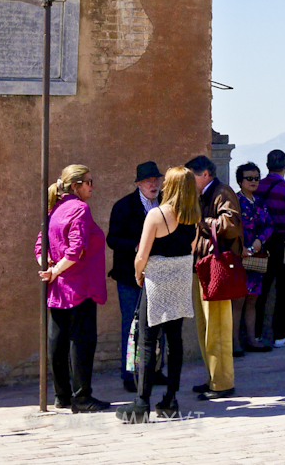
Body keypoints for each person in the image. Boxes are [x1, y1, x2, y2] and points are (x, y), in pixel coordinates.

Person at [116, 166, 200, 422]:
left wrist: (138, 273)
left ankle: (142, 403)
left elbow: (141, 255)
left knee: (147, 340)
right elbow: (192, 249)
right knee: (175, 341)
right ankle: (170, 400)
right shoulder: (193, 216)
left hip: (155, 282)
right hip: (180, 283)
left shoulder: (156, 215)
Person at [35, 164, 109, 413]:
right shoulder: (79, 208)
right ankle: (82, 397)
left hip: (58, 288)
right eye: (89, 182)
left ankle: (62, 395)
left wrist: (49, 268)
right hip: (80, 286)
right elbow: (75, 251)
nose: (92, 186)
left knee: (58, 340)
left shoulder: (54, 209)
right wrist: (54, 270)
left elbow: (39, 246)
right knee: (82, 342)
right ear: (76, 185)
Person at [187, 155, 243, 400]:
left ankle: (222, 383)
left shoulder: (222, 192)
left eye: (192, 177)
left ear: (205, 175)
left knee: (217, 327)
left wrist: (202, 219)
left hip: (216, 269)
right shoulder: (205, 194)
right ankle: (213, 376)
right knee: (205, 327)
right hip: (202, 266)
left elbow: (230, 225)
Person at [107, 160, 166, 392]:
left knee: (158, 324)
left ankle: (154, 370)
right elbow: (112, 239)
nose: (153, 184)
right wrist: (138, 247)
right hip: (130, 277)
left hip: (158, 276)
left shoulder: (164, 206)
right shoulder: (123, 206)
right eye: (148, 181)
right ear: (139, 183)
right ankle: (130, 375)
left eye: (156, 180)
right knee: (132, 326)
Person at [255, 149, 285, 348]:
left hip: (262, 242)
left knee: (260, 290)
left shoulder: (257, 187)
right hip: (283, 242)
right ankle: (281, 335)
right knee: (284, 291)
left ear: (267, 166)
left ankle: (255, 334)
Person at [233, 163, 274, 355]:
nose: (253, 181)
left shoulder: (259, 202)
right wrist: (240, 247)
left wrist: (260, 240)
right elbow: (230, 228)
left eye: (256, 178)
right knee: (238, 302)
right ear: (240, 180)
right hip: (239, 258)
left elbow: (269, 225)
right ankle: (234, 344)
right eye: (249, 178)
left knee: (252, 301)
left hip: (256, 258)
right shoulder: (234, 202)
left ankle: (251, 340)